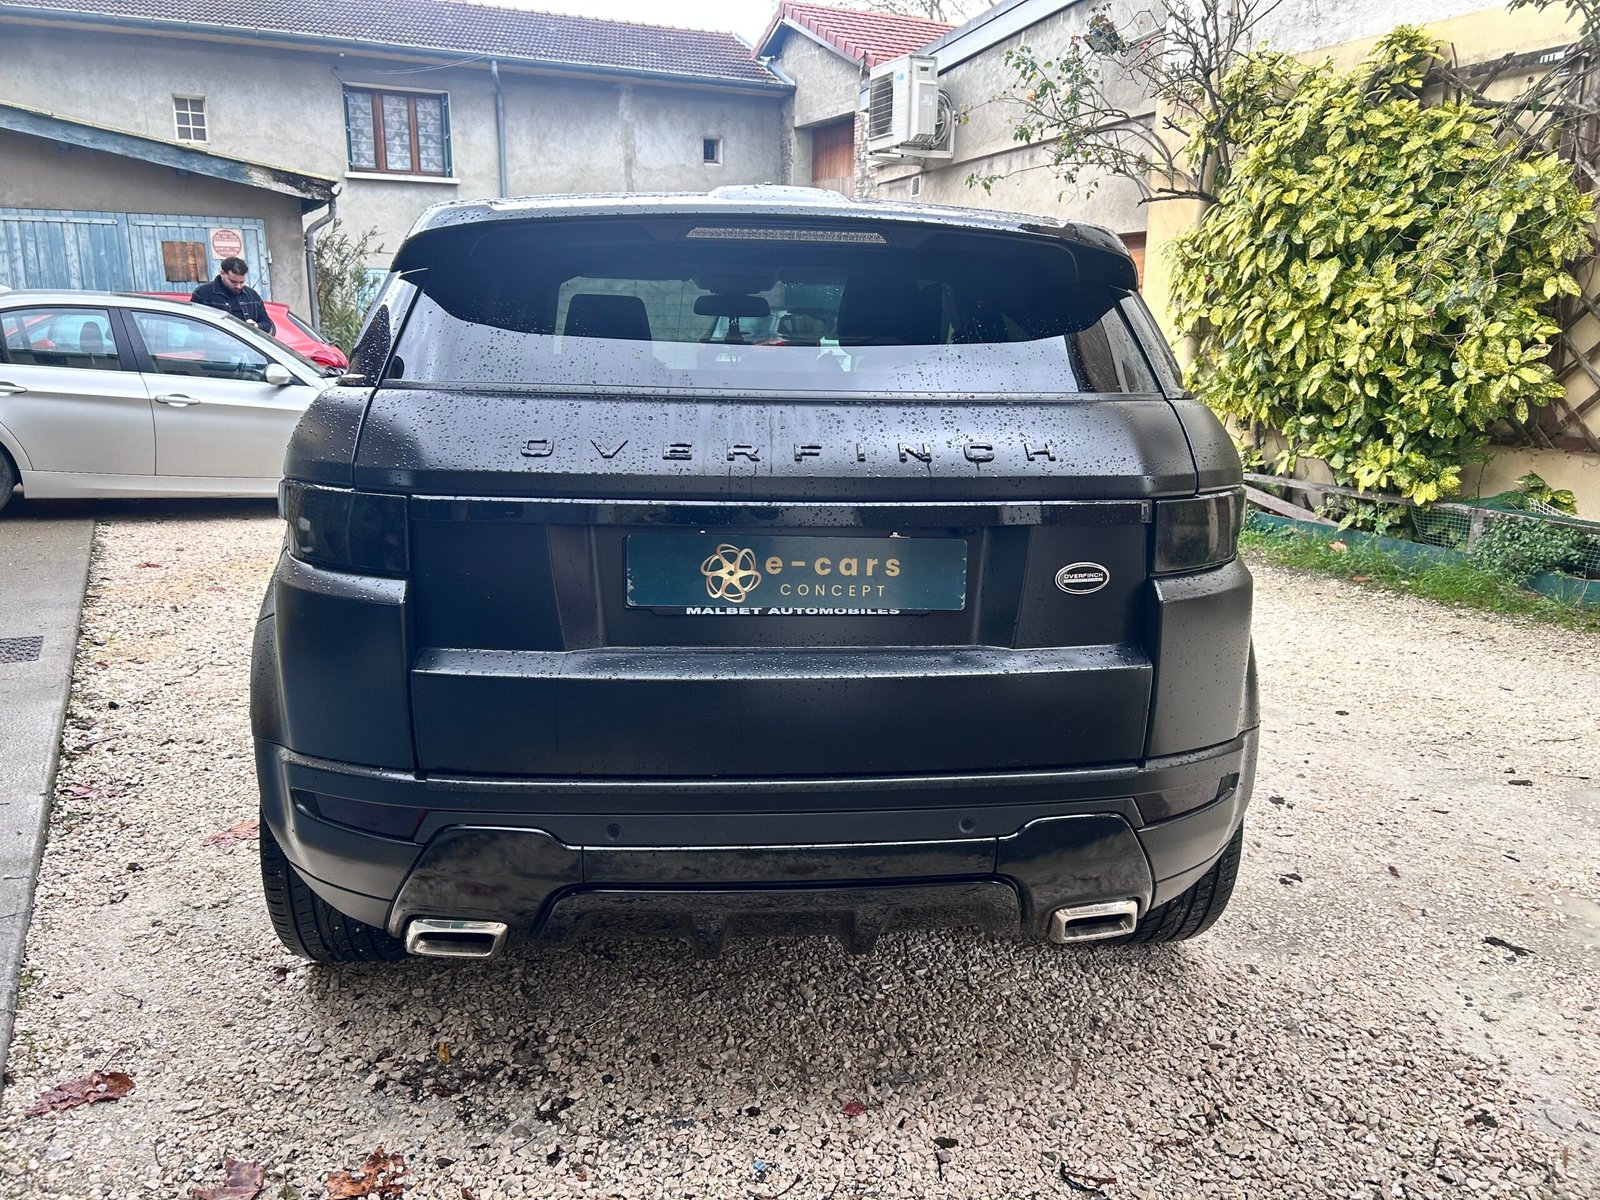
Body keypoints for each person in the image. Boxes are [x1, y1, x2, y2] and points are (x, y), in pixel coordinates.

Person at [191, 257, 276, 335]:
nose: (238, 286)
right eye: (233, 282)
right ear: (222, 273)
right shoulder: (203, 293)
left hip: (246, 345)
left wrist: (256, 326)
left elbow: (267, 325)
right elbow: (193, 325)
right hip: (214, 346)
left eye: (242, 282)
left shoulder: (252, 296)